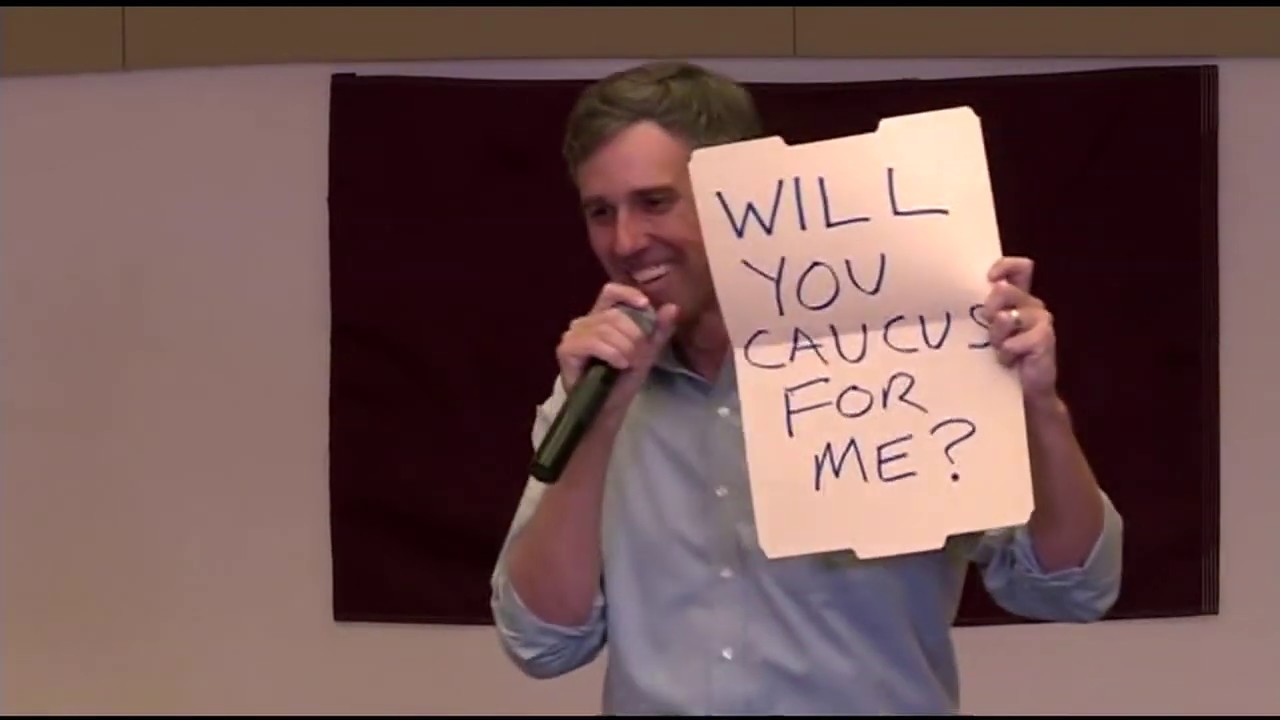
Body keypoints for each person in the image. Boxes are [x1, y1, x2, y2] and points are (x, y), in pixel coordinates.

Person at [489, 60, 1123, 715]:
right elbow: (541, 642)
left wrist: (1040, 407)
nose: (626, 240)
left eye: (654, 202)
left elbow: (1072, 588)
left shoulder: (906, 353)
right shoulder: (592, 390)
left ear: (732, 195)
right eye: (601, 212)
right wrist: (595, 430)